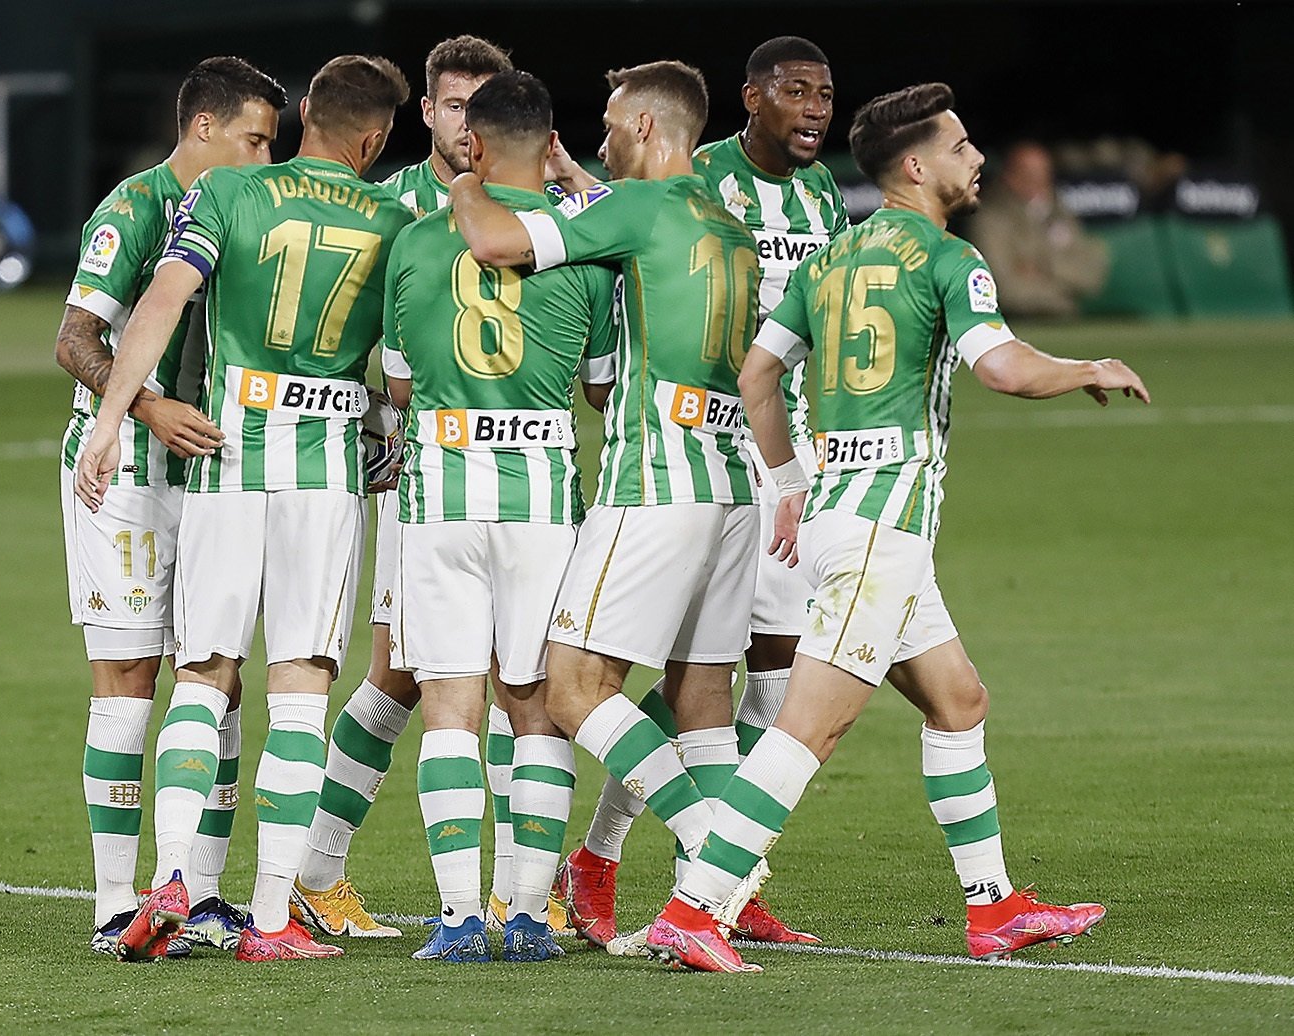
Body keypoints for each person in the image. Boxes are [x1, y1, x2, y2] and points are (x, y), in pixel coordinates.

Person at [645, 82, 1146, 974]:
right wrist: (1084, 365)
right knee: (807, 731)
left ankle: (992, 907)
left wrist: (790, 480)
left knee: (958, 703)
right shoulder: (949, 259)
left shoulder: (828, 260)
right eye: (960, 147)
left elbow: (758, 373)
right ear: (915, 167)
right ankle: (693, 908)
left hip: (850, 515)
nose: (976, 158)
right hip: (880, 532)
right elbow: (999, 367)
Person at [73, 54, 414, 963]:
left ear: (305, 113)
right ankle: (266, 918)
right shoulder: (394, 217)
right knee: (300, 685)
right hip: (323, 474)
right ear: (377, 138)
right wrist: (391, 429)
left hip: (224, 462)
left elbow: (157, 303)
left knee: (201, 672)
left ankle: (172, 877)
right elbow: (405, 375)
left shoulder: (229, 196)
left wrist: (112, 420)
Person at [452, 58, 765, 952]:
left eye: (613, 123)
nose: (599, 137)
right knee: (700, 689)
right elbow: (624, 221)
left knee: (572, 687)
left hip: (652, 483)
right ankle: (694, 908)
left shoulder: (641, 209)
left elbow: (496, 245)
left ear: (651, 131)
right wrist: (574, 180)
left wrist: (468, 179)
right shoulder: (726, 222)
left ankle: (716, 858)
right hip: (727, 482)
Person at [563, 34, 845, 951]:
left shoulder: (823, 195)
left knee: (741, 679)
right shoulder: (701, 181)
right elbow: (626, 269)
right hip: (693, 442)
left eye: (824, 95)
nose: (812, 110)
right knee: (682, 678)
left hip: (779, 452)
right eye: (795, 93)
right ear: (751, 99)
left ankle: (715, 880)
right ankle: (608, 855)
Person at [383, 70, 616, 964]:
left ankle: (452, 921)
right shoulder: (584, 247)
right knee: (537, 710)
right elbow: (598, 387)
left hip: (438, 492)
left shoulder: (413, 243)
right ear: (549, 139)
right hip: (541, 503)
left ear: (469, 145)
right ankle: (525, 915)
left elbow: (397, 381)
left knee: (449, 702)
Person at [55, 56, 284, 957]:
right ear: (203, 128)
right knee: (127, 680)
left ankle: (200, 891)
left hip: (212, 477)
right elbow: (74, 336)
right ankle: (116, 901)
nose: (267, 159)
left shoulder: (248, 213)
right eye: (255, 139)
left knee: (216, 677)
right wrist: (143, 405)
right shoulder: (135, 208)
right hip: (125, 475)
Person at [292, 31, 515, 942]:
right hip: (414, 477)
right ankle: (323, 869)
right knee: (416, 672)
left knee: (476, 672)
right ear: (424, 112)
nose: (469, 124)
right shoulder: (387, 207)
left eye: (484, 106)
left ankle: (500, 885)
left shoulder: (523, 200)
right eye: (454, 106)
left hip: (507, 473)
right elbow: (352, 343)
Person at [967, 141, 1109, 318]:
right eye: (1028, 174)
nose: (1038, 181)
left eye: (1043, 174)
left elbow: (1090, 275)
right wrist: (1062, 298)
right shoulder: (990, 218)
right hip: (1013, 323)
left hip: (1064, 323)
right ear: (1010, 175)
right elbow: (1002, 288)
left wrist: (1041, 268)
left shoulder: (1060, 212)